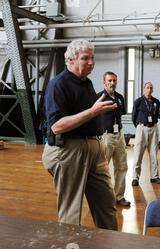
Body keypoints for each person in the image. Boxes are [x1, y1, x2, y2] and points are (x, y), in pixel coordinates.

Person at [42, 39, 118, 230]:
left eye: (93, 58)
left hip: (93, 148)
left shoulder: (87, 83)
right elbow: (57, 126)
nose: (92, 62)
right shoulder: (58, 84)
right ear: (70, 60)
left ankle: (111, 246)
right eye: (85, 58)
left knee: (106, 204)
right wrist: (93, 112)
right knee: (71, 210)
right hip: (68, 150)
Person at [97, 71, 130, 207]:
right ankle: (103, 198)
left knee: (122, 166)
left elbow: (122, 113)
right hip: (106, 135)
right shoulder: (99, 98)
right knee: (103, 168)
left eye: (114, 80)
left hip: (119, 135)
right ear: (104, 82)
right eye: (109, 80)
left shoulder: (120, 97)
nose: (112, 83)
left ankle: (119, 196)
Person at [131, 82, 160, 186]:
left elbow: (156, 114)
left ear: (152, 90)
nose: (149, 90)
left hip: (153, 129)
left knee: (154, 154)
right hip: (142, 128)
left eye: (151, 88)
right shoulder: (138, 101)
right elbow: (134, 116)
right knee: (138, 153)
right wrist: (140, 126)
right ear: (144, 89)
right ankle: (135, 177)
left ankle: (154, 176)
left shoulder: (156, 102)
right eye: (147, 88)